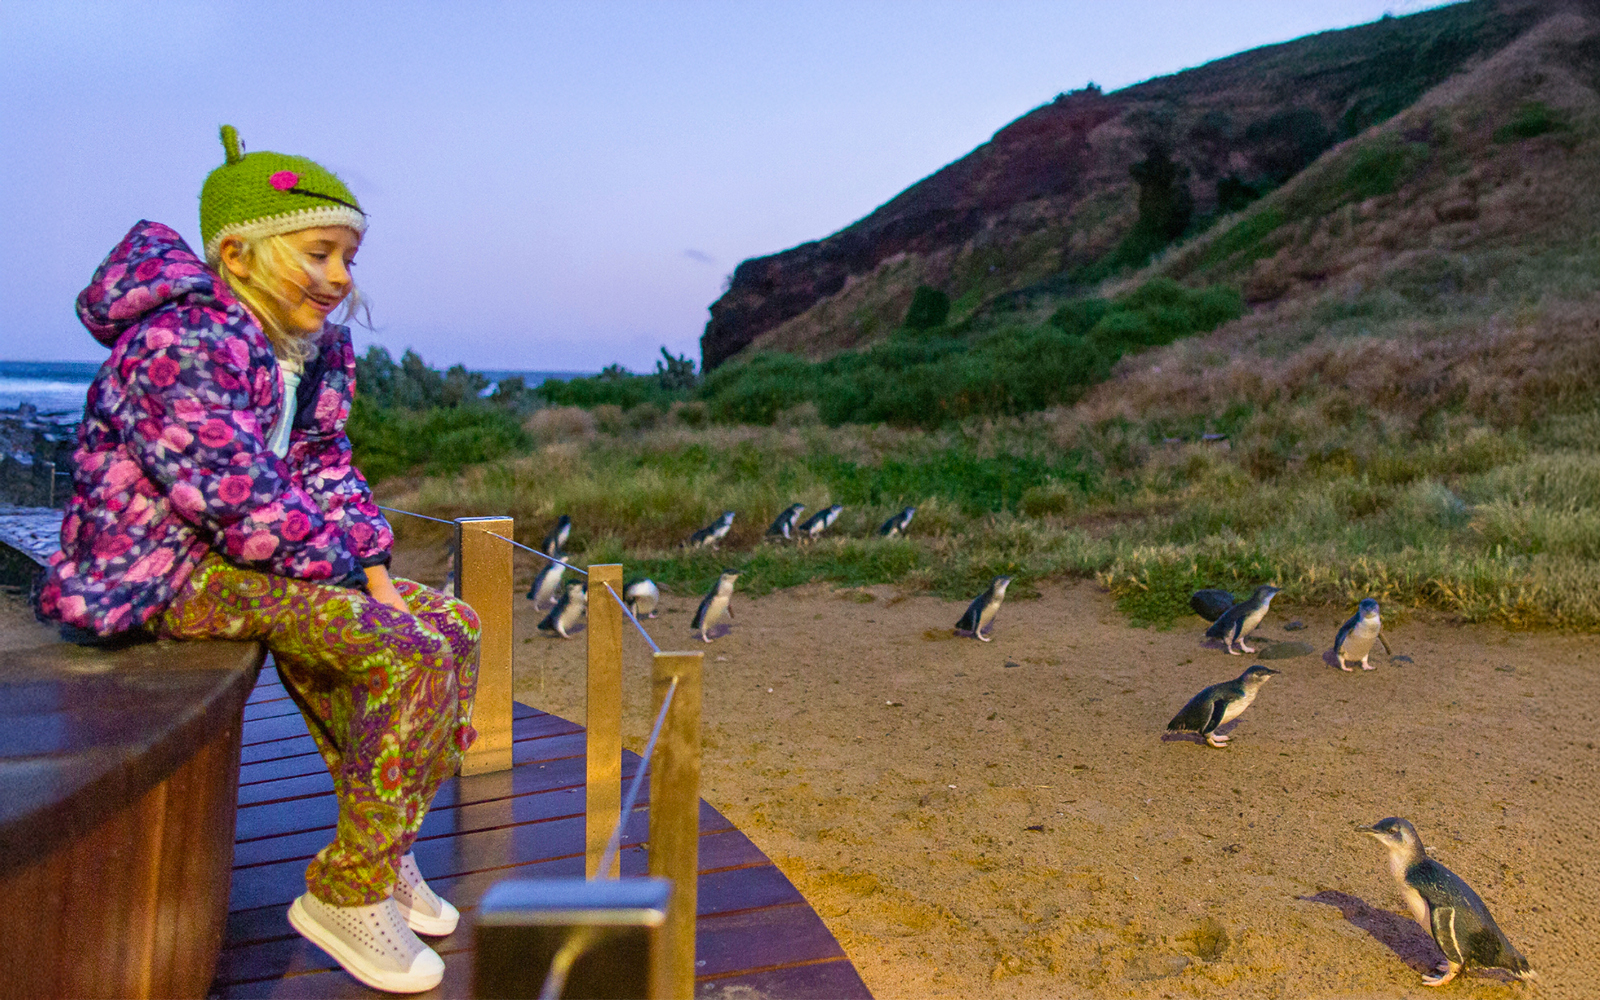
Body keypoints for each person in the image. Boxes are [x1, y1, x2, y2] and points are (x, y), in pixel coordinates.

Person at [35, 125, 477, 994]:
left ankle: (383, 853)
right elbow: (235, 496)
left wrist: (379, 574)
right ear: (239, 255)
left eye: (348, 257)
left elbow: (321, 467)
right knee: (405, 650)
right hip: (164, 572)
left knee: (448, 626)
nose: (342, 278)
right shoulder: (179, 345)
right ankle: (346, 894)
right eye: (321, 253)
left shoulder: (307, 356)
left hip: (250, 563)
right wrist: (355, 586)